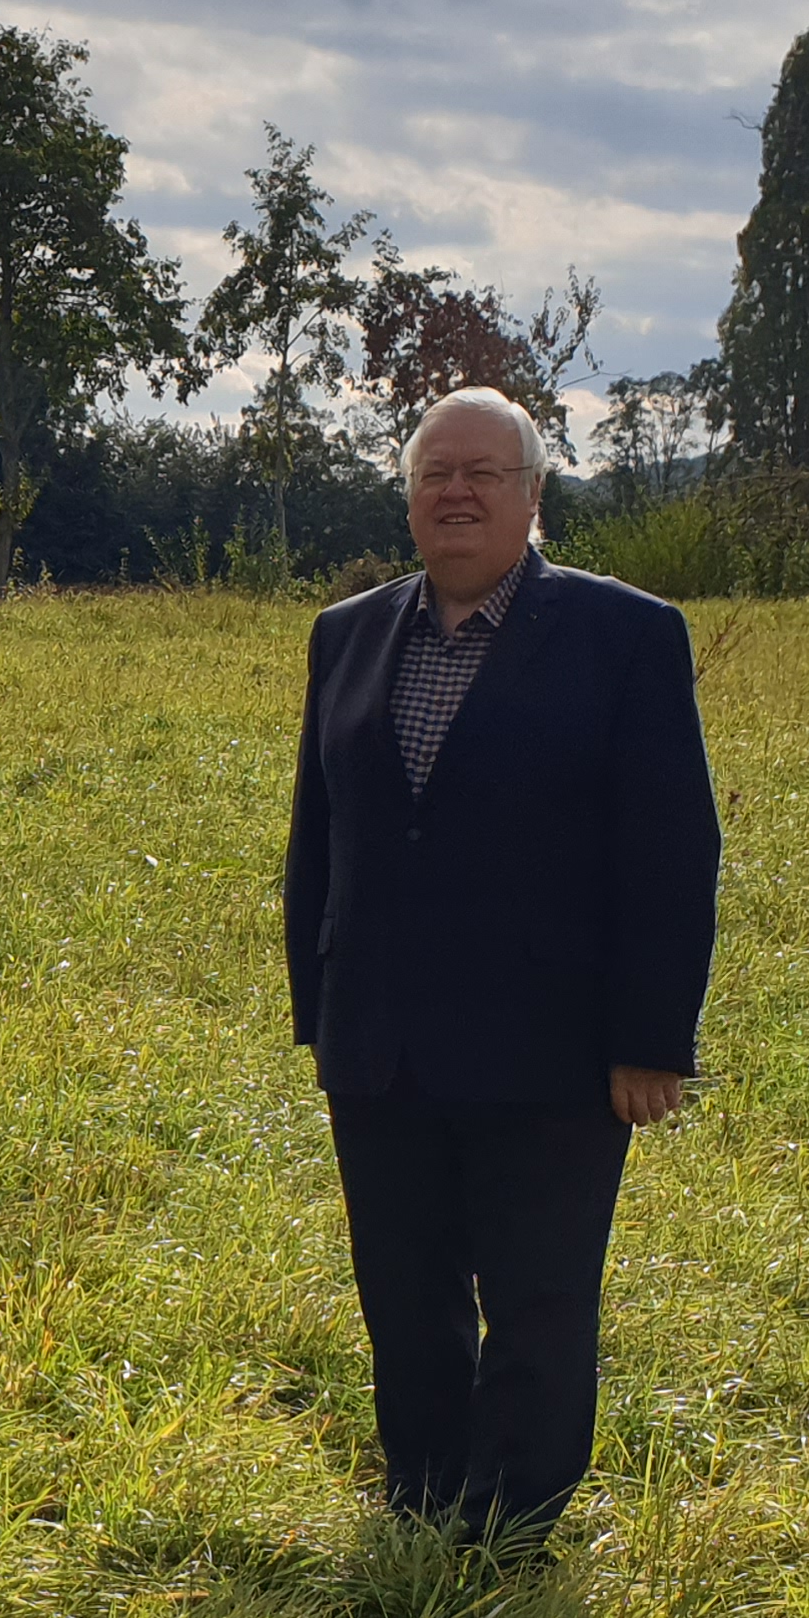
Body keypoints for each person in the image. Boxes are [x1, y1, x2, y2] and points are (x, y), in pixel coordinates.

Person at [281, 384, 720, 1547]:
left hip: (556, 1046)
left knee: (538, 1296)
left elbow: (671, 850)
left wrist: (650, 1040)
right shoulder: (350, 634)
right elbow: (319, 834)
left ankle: (514, 1524)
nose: (456, 493)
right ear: (410, 495)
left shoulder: (627, 636)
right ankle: (423, 1496)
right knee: (405, 1291)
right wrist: (317, 1010)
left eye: (484, 473)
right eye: (435, 474)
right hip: (379, 1038)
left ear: (534, 493)